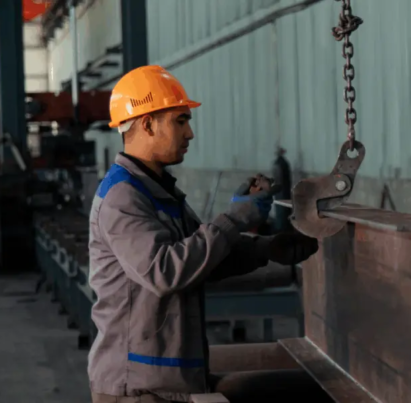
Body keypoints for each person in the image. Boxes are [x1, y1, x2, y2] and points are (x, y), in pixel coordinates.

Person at [87, 65, 320, 403]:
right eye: (180, 121)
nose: (190, 134)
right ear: (148, 124)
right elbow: (166, 271)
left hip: (168, 381)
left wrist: (266, 248)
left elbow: (202, 258)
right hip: (138, 389)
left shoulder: (158, 191)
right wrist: (236, 218)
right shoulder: (122, 197)